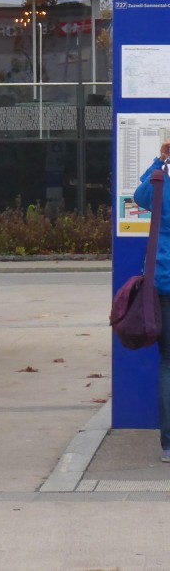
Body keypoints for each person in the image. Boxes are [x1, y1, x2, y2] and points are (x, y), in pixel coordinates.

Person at [132, 139, 170, 464]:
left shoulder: (160, 185)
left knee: (167, 364)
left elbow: (138, 193)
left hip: (162, 282)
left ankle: (169, 446)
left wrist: (160, 161)